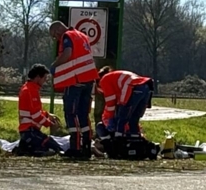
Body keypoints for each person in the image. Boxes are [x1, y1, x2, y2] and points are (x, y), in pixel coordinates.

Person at [49, 20, 99, 159]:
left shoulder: (67, 36)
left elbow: (68, 54)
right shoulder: (82, 35)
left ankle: (75, 147)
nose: (56, 39)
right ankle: (87, 147)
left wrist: (55, 65)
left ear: (58, 31)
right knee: (83, 114)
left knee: (71, 113)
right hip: (88, 80)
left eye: (54, 36)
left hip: (75, 80)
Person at [18, 64, 63, 155]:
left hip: (29, 131)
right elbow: (36, 116)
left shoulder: (28, 88)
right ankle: (31, 149)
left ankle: (27, 147)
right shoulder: (31, 91)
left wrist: (47, 115)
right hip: (30, 130)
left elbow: (34, 111)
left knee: (51, 146)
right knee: (54, 148)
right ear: (38, 77)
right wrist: (50, 124)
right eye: (44, 78)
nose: (45, 81)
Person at [97, 67, 153, 137]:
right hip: (146, 86)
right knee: (134, 119)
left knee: (121, 119)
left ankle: (119, 139)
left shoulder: (104, 81)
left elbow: (110, 101)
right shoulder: (114, 77)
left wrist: (110, 118)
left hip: (132, 87)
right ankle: (136, 139)